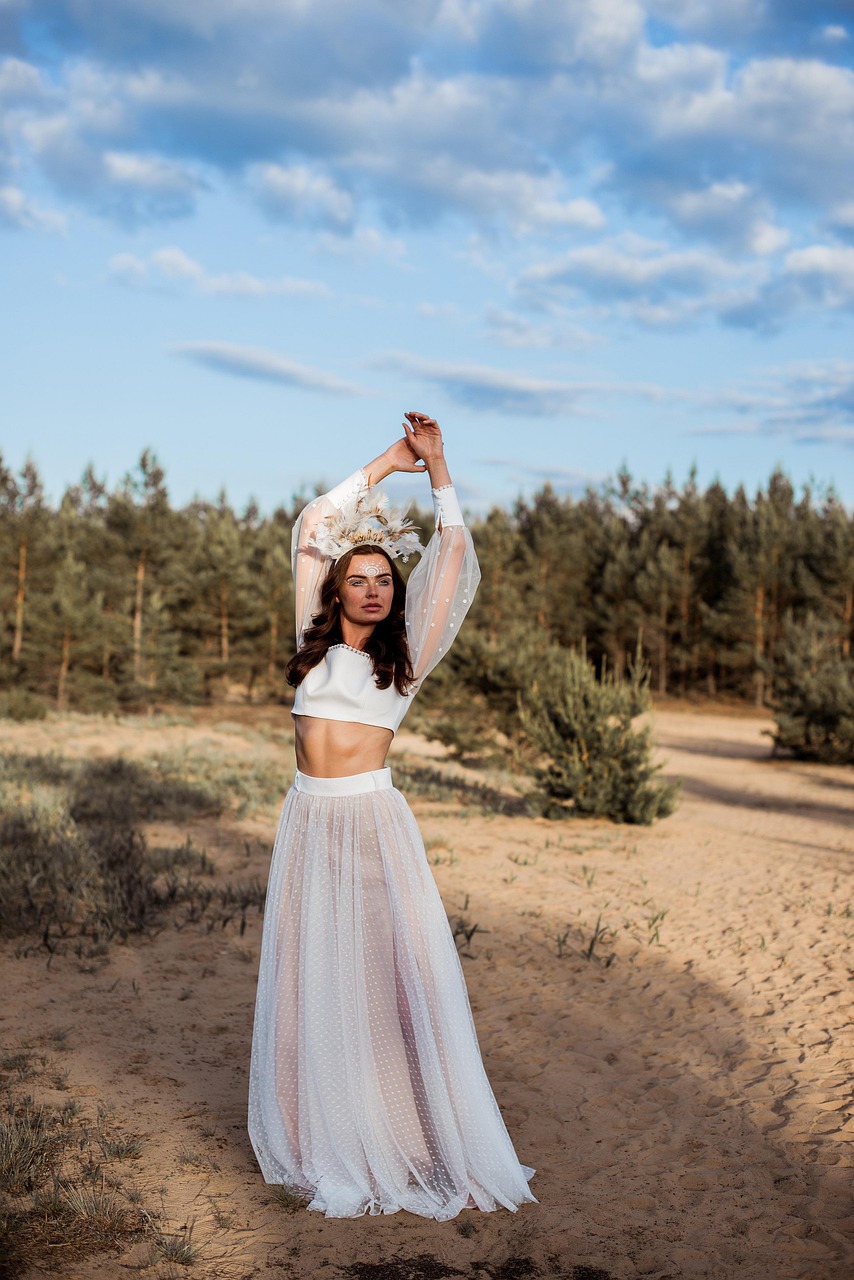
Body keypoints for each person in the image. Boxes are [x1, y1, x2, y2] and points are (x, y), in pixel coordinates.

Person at [248, 413, 536, 1219]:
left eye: (384, 579)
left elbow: (453, 557)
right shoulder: (310, 640)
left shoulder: (405, 657)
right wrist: (388, 462)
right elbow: (314, 521)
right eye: (360, 578)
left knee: (388, 985)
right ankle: (319, 1139)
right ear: (337, 588)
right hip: (307, 823)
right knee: (308, 982)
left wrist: (439, 470)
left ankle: (411, 1139)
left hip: (371, 828)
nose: (374, 588)